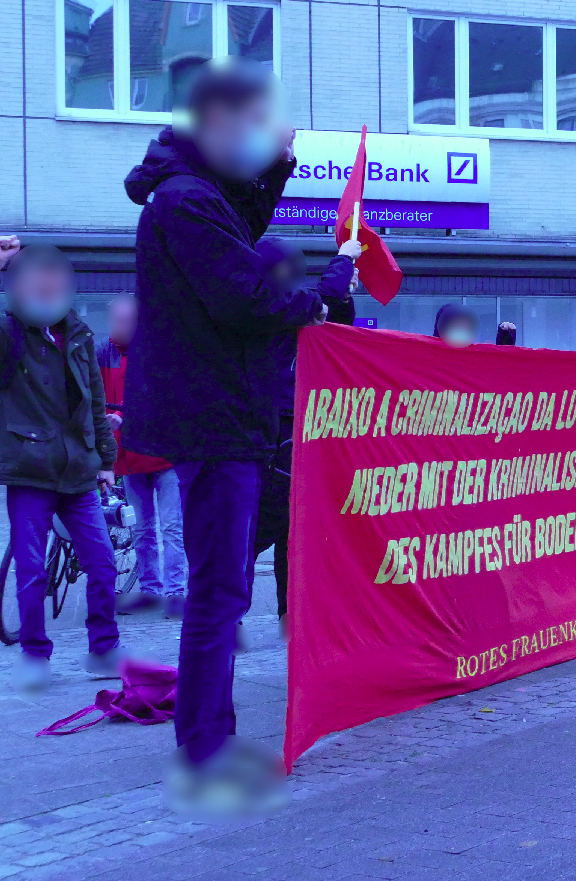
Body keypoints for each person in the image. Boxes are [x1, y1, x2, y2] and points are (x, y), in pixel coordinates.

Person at [123, 59, 348, 809]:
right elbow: (247, 296)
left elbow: (241, 229)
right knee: (218, 595)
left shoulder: (196, 196)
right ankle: (203, 749)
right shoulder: (185, 203)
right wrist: (321, 300)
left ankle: (210, 734)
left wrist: (281, 165)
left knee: (222, 591)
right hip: (214, 420)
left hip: (221, 417)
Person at [0, 246, 126, 690]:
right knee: (32, 571)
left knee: (103, 563)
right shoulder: (10, 331)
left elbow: (94, 402)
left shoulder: (78, 335)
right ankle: (35, 655)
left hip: (78, 472)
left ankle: (103, 648)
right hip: (30, 470)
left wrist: (107, 461)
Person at [247, 238, 358, 635]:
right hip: (277, 432)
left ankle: (288, 618)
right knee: (263, 528)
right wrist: (344, 260)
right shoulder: (267, 304)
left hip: (294, 428)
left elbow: (332, 323)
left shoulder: (280, 306)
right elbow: (320, 299)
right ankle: (222, 616)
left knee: (293, 535)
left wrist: (344, 296)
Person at [98, 295, 188, 618]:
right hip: (128, 459)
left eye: (126, 321)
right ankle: (152, 589)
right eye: (116, 320)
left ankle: (176, 592)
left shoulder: (157, 353)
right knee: (142, 529)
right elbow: (96, 399)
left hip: (164, 457)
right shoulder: (103, 355)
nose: (119, 326)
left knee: (172, 528)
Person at [431, 304, 516, 346]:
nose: (461, 331)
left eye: (465, 328)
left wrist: (505, 339)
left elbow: (500, 367)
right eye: (456, 326)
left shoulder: (477, 357)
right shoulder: (428, 356)